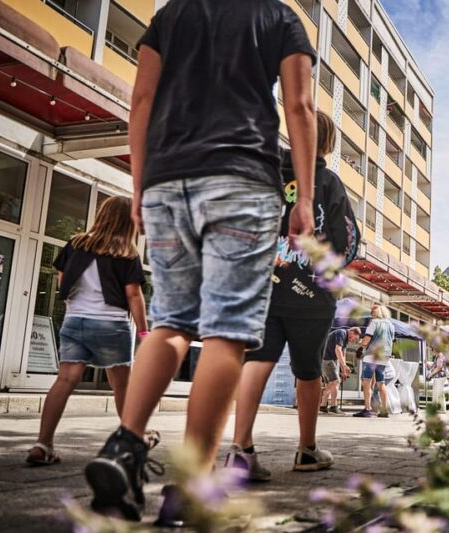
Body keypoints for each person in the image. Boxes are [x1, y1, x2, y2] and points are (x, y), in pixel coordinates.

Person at [84, 0, 318, 523]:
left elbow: (141, 99)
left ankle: (124, 449)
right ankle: (191, 486)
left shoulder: (170, 15)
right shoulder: (280, 19)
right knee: (225, 334)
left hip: (168, 181)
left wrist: (139, 186)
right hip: (243, 180)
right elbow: (300, 107)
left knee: (169, 322)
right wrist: (302, 197)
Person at [224, 111, 360, 481]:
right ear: (328, 144)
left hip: (264, 287)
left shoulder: (268, 175)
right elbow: (348, 241)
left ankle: (241, 448)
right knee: (309, 370)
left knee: (257, 361)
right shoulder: (328, 182)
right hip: (312, 296)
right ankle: (306, 449)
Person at [26, 197, 148, 466]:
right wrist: (144, 333)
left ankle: (42, 443)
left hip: (75, 321)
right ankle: (133, 439)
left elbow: (61, 278)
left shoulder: (76, 243)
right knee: (121, 386)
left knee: (65, 380)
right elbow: (134, 295)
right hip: (111, 324)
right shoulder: (126, 251)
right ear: (127, 220)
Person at [353, 304, 396, 418]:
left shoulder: (374, 323)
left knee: (366, 382)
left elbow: (367, 338)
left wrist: (361, 347)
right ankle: (384, 410)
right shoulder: (391, 325)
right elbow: (392, 340)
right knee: (381, 383)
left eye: (373, 311)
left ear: (378, 312)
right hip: (384, 356)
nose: (371, 313)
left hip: (372, 355)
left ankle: (367, 409)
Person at [320, 327, 361, 415]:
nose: (353, 340)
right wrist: (343, 365)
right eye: (354, 337)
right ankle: (333, 407)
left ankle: (323, 406)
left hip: (329, 359)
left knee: (330, 384)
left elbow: (343, 353)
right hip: (327, 359)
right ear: (352, 333)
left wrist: (344, 369)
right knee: (336, 381)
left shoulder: (346, 338)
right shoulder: (341, 333)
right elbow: (337, 349)